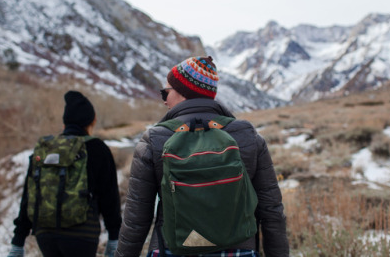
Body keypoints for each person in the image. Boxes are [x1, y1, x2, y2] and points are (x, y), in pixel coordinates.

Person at [115, 56, 289, 257]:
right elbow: (272, 211)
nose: (164, 100)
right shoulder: (247, 136)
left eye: (166, 92)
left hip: (171, 250)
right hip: (239, 251)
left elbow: (136, 219)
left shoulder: (155, 140)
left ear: (183, 93)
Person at [8, 90, 122, 257]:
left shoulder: (45, 149)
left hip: (45, 234)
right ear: (91, 122)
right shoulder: (97, 148)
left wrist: (18, 242)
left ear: (65, 124)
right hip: (82, 235)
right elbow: (109, 197)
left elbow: (30, 195)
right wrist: (114, 237)